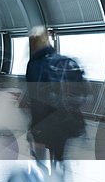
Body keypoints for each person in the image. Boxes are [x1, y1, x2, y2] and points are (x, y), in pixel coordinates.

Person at [22, 26, 88, 171]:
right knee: (58, 153)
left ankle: (41, 171)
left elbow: (34, 95)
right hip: (64, 118)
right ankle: (58, 178)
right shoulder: (65, 62)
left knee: (39, 147)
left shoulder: (33, 64)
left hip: (42, 117)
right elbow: (84, 93)